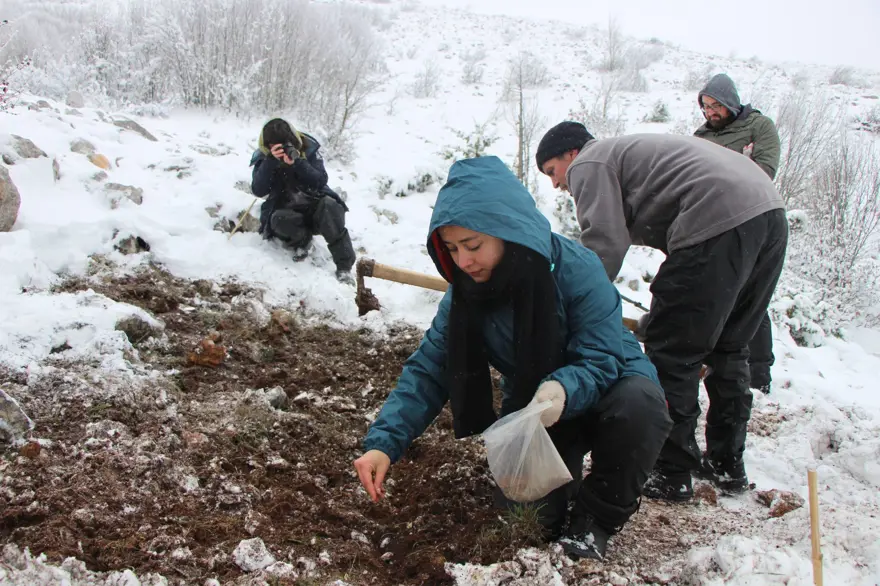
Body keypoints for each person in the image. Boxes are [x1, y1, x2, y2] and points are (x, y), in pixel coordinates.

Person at [353, 156, 671, 561]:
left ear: (508, 232)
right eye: (452, 248)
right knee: (532, 521)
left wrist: (562, 389)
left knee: (639, 408)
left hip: (609, 383)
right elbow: (430, 369)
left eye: (473, 245)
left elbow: (603, 356)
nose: (463, 261)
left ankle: (596, 522)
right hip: (536, 408)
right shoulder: (465, 294)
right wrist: (383, 444)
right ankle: (561, 492)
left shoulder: (577, 270)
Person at [535, 122, 787, 502]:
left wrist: (574, 304)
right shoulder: (634, 155)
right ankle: (726, 465)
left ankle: (671, 473)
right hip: (767, 216)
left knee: (671, 354)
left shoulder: (591, 160)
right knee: (730, 348)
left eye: (552, 171)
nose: (556, 184)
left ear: (571, 153)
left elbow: (604, 244)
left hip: (717, 219)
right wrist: (668, 314)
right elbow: (695, 285)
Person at [694, 73, 782, 395]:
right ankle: (712, 364)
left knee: (750, 294)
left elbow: (763, 172)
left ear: (731, 102)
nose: (710, 112)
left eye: (716, 105)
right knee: (713, 294)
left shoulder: (759, 126)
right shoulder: (700, 136)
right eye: (705, 106)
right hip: (708, 225)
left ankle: (759, 375)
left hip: (750, 218)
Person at [250, 118, 356, 284]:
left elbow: (320, 180)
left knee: (330, 206)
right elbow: (258, 190)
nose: (283, 150)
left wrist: (298, 162)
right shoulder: (264, 158)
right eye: (276, 147)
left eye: (286, 145)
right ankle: (303, 242)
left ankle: (344, 267)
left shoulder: (308, 148)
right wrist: (270, 162)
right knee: (278, 219)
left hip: (314, 206)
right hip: (287, 210)